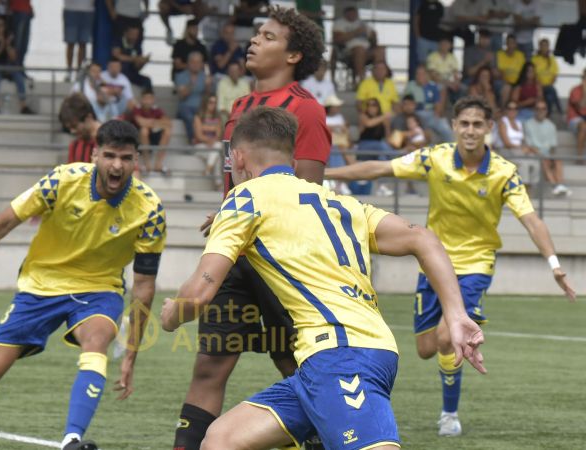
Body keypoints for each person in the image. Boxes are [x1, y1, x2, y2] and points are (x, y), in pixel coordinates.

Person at [160, 106, 488, 450]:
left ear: (238, 158)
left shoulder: (244, 199)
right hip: (333, 359)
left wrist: (170, 316)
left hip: (341, 356)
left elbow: (198, 294)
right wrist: (456, 314)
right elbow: (423, 237)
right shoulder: (340, 204)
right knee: (221, 439)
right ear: (292, 158)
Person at [326, 95, 576, 437]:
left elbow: (531, 219)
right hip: (435, 262)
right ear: (455, 126)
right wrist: (324, 173)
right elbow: (380, 168)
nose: (471, 130)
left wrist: (554, 263)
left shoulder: (504, 172)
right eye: (465, 124)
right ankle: (447, 389)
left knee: (447, 336)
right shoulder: (435, 158)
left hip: (476, 265)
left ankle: (449, 414)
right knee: (427, 349)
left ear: (489, 128)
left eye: (478, 124)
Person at [0, 119, 166, 450]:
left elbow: (144, 285)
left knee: (97, 339)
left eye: (126, 158)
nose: (117, 165)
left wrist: (131, 354)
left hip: (99, 290)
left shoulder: (150, 209)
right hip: (40, 286)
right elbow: (4, 222)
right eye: (110, 155)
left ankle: (72, 440)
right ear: (95, 154)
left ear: (136, 160)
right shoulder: (62, 181)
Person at [172, 8, 330, 450]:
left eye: (268, 36)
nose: (254, 41)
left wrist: (247, 212)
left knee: (293, 363)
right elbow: (238, 182)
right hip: (235, 258)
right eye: (256, 34)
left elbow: (307, 191)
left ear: (295, 54)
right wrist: (227, 211)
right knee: (209, 365)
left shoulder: (307, 110)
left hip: (284, 261)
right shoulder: (239, 107)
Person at [0, 15, 34, 114]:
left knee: (18, 76)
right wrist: (1, 46)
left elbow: (13, 57)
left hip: (6, 66)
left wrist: (7, 45)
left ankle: (23, 105)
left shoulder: (9, 39)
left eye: (1, 25)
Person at [524, 100, 571, 196]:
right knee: (544, 160)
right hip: (534, 154)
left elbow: (552, 147)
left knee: (557, 160)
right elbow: (529, 145)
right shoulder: (527, 124)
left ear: (546, 111)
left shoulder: (551, 125)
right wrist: (543, 155)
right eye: (538, 108)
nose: (540, 111)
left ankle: (560, 185)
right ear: (534, 110)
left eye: (543, 108)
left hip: (547, 154)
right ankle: (555, 186)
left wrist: (551, 157)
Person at [332, 5, 384, 85]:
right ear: (346, 14)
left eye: (355, 13)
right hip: (348, 51)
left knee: (380, 50)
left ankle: (379, 79)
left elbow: (374, 39)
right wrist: (355, 32)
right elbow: (337, 39)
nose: (353, 15)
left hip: (367, 49)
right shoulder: (340, 23)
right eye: (351, 13)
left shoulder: (362, 23)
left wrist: (373, 36)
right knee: (359, 50)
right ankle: (361, 80)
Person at [404, 64, 454, 142]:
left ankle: (452, 148)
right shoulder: (411, 85)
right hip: (416, 114)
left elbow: (437, 104)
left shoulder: (432, 86)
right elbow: (406, 103)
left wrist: (437, 116)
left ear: (427, 75)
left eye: (422, 74)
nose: (420, 76)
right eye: (418, 74)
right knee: (427, 132)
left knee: (445, 127)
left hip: (431, 113)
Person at [127, 89, 172, 174]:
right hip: (137, 141)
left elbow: (168, 123)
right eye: (145, 99)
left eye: (150, 98)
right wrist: (157, 123)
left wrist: (150, 122)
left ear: (153, 100)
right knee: (144, 130)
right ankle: (147, 164)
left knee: (168, 131)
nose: (148, 101)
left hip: (153, 139)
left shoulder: (156, 109)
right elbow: (141, 123)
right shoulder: (136, 109)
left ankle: (158, 164)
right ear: (141, 99)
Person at [175, 51, 211, 142]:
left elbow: (208, 97)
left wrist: (208, 86)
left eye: (198, 62)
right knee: (191, 117)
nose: (196, 65)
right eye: (193, 62)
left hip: (200, 107)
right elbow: (182, 96)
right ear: (188, 63)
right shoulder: (180, 76)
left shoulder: (205, 76)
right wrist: (191, 83)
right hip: (185, 107)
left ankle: (209, 141)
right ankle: (194, 141)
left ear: (202, 64)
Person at [193, 93, 224, 188]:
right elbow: (199, 136)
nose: (213, 105)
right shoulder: (198, 117)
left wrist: (205, 128)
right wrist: (211, 134)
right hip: (200, 146)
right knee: (217, 152)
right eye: (210, 102)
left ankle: (208, 169)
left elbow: (218, 135)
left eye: (215, 102)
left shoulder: (217, 117)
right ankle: (218, 183)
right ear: (205, 103)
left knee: (217, 148)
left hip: (213, 146)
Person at [60, 92, 100, 163]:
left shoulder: (109, 141)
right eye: (69, 128)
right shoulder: (74, 146)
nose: (72, 131)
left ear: (88, 118)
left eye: (74, 126)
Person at [111, 24, 152, 90]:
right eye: (132, 34)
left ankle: (147, 98)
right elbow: (117, 56)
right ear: (126, 33)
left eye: (136, 34)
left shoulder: (137, 46)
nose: (134, 37)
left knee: (147, 81)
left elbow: (137, 67)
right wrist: (135, 59)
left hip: (132, 74)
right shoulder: (118, 41)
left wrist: (142, 62)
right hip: (118, 73)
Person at [63, 0, 95, 81]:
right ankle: (69, 72)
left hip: (87, 10)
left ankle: (79, 72)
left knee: (83, 43)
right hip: (71, 10)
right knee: (70, 43)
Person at [427, 37, 463, 103]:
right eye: (443, 44)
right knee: (442, 88)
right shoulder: (432, 56)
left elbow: (456, 72)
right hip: (436, 82)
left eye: (447, 44)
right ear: (439, 45)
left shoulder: (452, 57)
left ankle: (457, 107)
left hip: (450, 82)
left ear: (450, 45)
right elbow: (433, 75)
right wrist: (448, 83)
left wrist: (457, 82)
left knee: (462, 88)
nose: (445, 46)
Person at [531, 38, 561, 115]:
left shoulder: (552, 59)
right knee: (551, 91)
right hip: (537, 85)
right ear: (539, 47)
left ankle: (548, 114)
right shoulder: (534, 59)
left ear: (548, 47)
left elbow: (555, 75)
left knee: (549, 97)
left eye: (546, 45)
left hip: (548, 86)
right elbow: (532, 74)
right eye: (542, 45)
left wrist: (549, 83)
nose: (544, 47)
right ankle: (559, 109)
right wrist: (539, 84)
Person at [496, 34, 525, 106]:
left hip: (517, 82)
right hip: (503, 81)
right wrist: (506, 82)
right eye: (509, 42)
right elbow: (499, 71)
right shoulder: (500, 54)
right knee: (507, 87)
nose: (511, 45)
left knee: (517, 88)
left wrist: (518, 84)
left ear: (516, 44)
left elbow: (523, 72)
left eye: (513, 43)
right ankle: (503, 110)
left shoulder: (520, 55)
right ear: (506, 43)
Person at [413, 0, 446, 64]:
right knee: (422, 62)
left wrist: (441, 38)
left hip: (436, 40)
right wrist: (417, 35)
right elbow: (416, 20)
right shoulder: (423, 5)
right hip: (423, 38)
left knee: (435, 62)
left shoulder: (440, 5)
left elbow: (443, 21)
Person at [567, 69, 586, 164]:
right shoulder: (575, 90)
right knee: (583, 126)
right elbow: (581, 106)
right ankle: (579, 157)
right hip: (575, 119)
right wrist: (585, 90)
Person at [8, 0, 33, 67]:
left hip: (26, 11)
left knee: (24, 44)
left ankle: (20, 67)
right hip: (17, 10)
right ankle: (15, 67)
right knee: (17, 44)